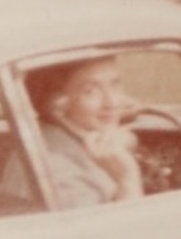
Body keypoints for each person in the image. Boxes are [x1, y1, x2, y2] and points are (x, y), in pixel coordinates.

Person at [30, 57, 145, 206]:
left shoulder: (51, 141)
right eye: (90, 91)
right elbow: (127, 228)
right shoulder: (58, 173)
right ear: (58, 105)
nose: (112, 103)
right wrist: (127, 179)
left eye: (115, 86)